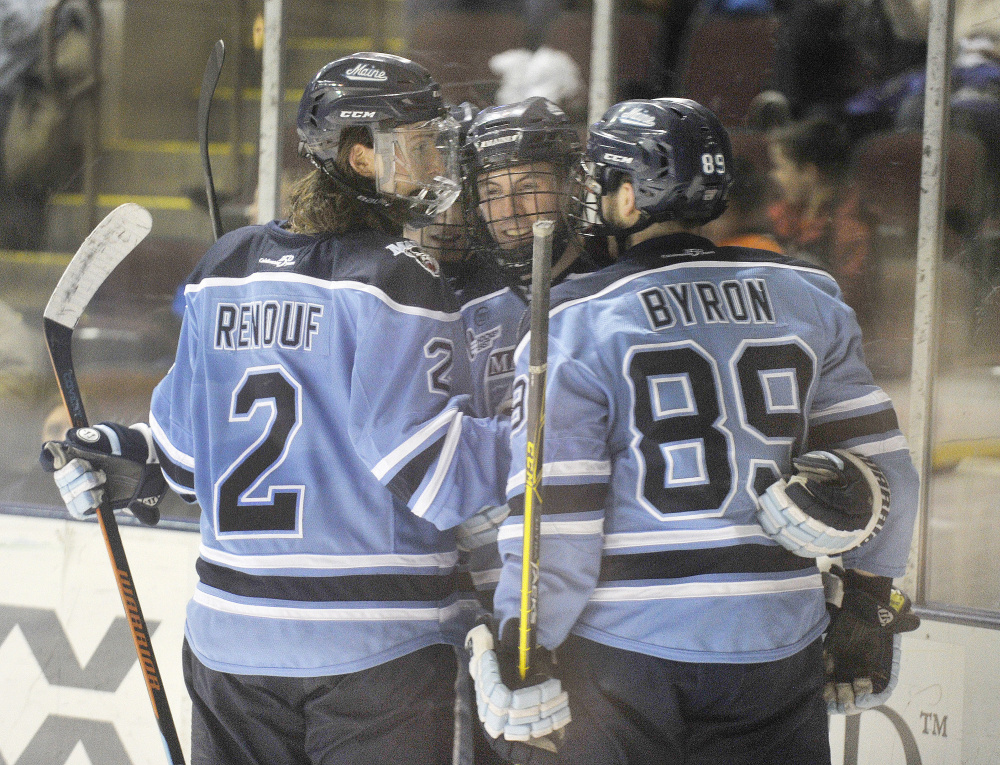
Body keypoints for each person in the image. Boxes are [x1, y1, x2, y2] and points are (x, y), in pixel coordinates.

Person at [40, 52, 512, 765]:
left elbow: (179, 457)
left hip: (232, 644)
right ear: (363, 157)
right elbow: (429, 471)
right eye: (417, 142)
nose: (435, 157)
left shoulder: (224, 266)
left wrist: (113, 451)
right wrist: (547, 436)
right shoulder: (398, 275)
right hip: (376, 648)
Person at [467, 97, 921, 764]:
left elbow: (556, 525)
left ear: (628, 196)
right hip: (777, 640)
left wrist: (521, 641)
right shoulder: (807, 296)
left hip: (626, 655)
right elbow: (891, 479)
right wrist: (871, 600)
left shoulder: (576, 320)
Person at [766, 116, 878, 331]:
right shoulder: (791, 213)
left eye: (780, 167)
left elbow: (847, 306)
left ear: (809, 173)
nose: (775, 176)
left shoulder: (849, 229)